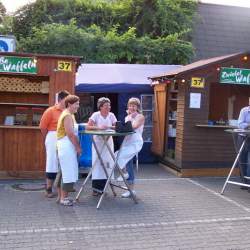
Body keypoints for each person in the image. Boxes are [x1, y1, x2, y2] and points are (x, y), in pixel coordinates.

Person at [39, 90, 70, 198]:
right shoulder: (50, 111)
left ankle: (61, 188)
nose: (68, 102)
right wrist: (49, 137)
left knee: (63, 162)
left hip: (65, 137)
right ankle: (48, 188)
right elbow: (42, 127)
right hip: (53, 136)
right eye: (67, 99)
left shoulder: (67, 111)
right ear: (61, 99)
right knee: (52, 162)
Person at [87, 97, 117, 196]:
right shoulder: (96, 115)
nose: (108, 107)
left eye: (109, 105)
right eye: (106, 106)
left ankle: (104, 188)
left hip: (108, 142)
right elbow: (88, 127)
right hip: (98, 142)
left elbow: (116, 126)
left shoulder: (111, 115)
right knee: (97, 163)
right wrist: (99, 127)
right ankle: (95, 189)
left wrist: (109, 127)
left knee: (107, 163)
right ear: (100, 107)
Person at [116, 97, 145, 198]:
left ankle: (125, 176)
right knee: (125, 162)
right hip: (127, 141)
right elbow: (125, 129)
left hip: (136, 142)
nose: (131, 107)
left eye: (134, 105)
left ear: (137, 107)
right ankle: (131, 190)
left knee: (123, 158)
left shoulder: (140, 116)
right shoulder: (127, 117)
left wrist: (130, 117)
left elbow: (134, 127)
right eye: (130, 105)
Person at [56, 95, 81, 206]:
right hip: (66, 146)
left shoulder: (69, 114)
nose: (78, 106)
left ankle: (60, 197)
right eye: (76, 104)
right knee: (67, 172)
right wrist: (78, 147)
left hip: (66, 146)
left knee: (63, 172)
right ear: (70, 104)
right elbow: (70, 134)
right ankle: (63, 198)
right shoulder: (67, 115)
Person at [238, 97, 250, 185]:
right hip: (243, 137)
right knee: (242, 159)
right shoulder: (244, 110)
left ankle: (249, 182)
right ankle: (243, 181)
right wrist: (248, 125)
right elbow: (240, 124)